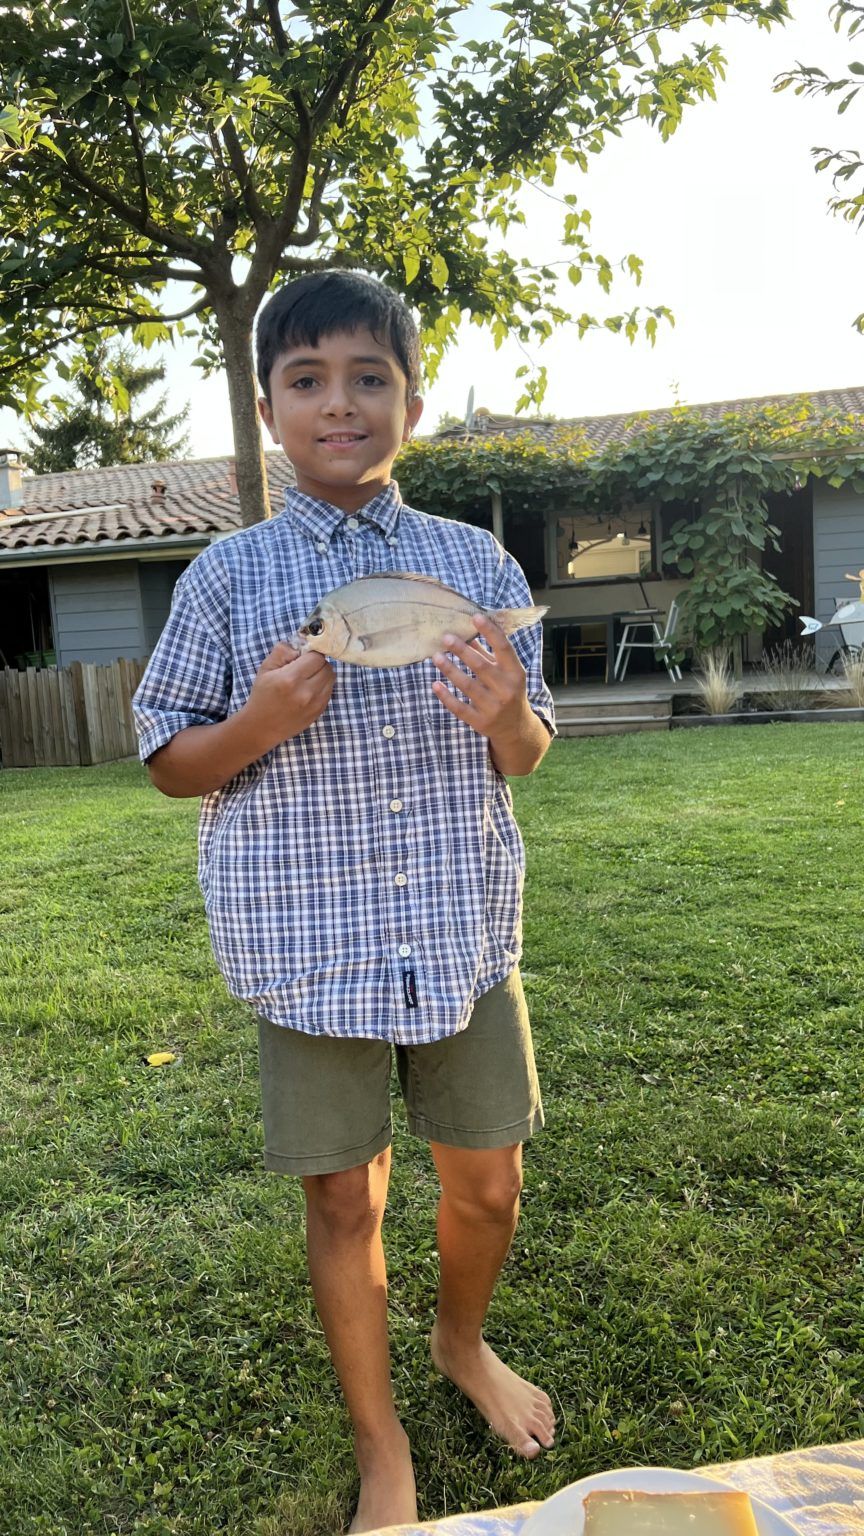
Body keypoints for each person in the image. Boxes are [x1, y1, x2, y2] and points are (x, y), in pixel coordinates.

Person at [133, 269, 557, 1533]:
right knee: (342, 1196)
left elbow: (530, 746)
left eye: (370, 378)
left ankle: (460, 1342)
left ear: (410, 407)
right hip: (307, 946)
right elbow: (169, 761)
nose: (340, 403)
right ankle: (383, 1448)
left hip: (459, 932)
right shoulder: (226, 579)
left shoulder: (473, 561)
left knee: (487, 1183)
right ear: (268, 408)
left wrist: (508, 717)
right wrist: (256, 724)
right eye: (307, 379)